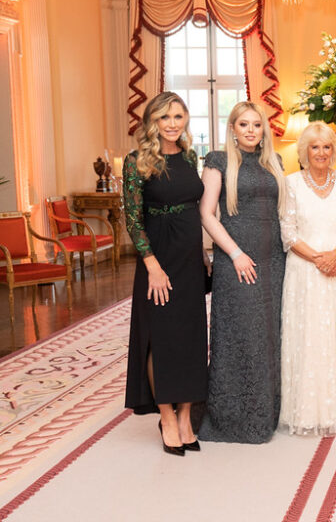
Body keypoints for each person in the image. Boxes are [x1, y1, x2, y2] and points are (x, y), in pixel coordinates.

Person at [123, 91, 208, 456]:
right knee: (162, 337)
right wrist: (152, 265)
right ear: (152, 122)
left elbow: (199, 209)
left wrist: (204, 256)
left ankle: (186, 416)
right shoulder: (136, 160)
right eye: (164, 118)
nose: (172, 124)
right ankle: (167, 418)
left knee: (190, 337)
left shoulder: (189, 156)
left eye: (178, 116)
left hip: (190, 257)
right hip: (158, 259)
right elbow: (132, 218)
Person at [198, 102, 286, 443]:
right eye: (244, 124)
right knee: (241, 335)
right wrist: (235, 254)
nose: (251, 131)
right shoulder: (218, 161)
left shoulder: (274, 163)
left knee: (270, 335)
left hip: (273, 259)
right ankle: (233, 419)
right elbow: (207, 214)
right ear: (232, 128)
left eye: (257, 125)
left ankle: (267, 414)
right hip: (236, 260)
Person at [279, 122, 336, 434]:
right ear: (304, 152)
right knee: (309, 336)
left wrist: (335, 255)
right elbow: (287, 232)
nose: (321, 153)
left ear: (334, 150)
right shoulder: (290, 184)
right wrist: (319, 258)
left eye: (327, 147)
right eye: (315, 147)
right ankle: (307, 411)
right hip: (305, 271)